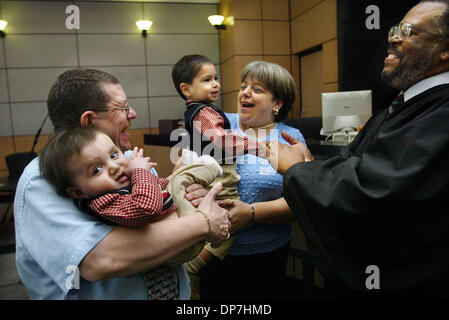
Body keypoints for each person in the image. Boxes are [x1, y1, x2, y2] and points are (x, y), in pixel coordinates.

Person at [267, 0, 449, 298]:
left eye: (408, 32)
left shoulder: (440, 114)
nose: (392, 38)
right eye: (394, 30)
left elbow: (375, 190)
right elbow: (357, 164)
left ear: (445, 49)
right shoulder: (402, 107)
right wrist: (312, 165)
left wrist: (297, 169)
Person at [14, 68, 230, 300]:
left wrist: (192, 197)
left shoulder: (128, 162)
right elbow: (101, 260)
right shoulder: (44, 178)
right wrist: (203, 221)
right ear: (89, 121)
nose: (133, 113)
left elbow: (166, 218)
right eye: (123, 108)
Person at [186, 60, 307, 299]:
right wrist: (196, 190)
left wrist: (251, 212)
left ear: (277, 103)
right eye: (243, 86)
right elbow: (187, 166)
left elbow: (301, 203)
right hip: (209, 248)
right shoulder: (218, 122)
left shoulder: (290, 138)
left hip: (266, 255)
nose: (245, 92)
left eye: (257, 89)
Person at [39, 127, 224, 265]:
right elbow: (147, 207)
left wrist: (177, 185)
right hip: (176, 249)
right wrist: (140, 172)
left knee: (178, 178)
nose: (113, 167)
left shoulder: (123, 184)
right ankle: (210, 168)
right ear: (78, 192)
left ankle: (206, 170)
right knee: (182, 177)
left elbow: (160, 187)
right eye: (96, 169)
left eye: (113, 155)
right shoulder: (104, 202)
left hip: (183, 233)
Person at [171, 55, 268, 292]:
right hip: (219, 171)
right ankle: (192, 265)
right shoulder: (205, 112)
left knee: (204, 216)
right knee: (227, 222)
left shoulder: (195, 111)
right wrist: (254, 145)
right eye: (207, 80)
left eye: (216, 78)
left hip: (205, 166)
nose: (215, 84)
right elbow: (220, 140)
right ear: (186, 88)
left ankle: (188, 263)